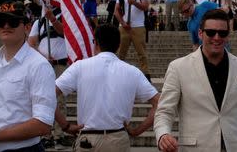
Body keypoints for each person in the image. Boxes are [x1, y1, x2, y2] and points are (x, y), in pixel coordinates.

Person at [154, 9, 237, 152]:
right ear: (200, 33)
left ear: (228, 36)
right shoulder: (178, 68)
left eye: (222, 33)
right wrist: (163, 135)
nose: (217, 37)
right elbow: (164, 111)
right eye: (210, 32)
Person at [54, 24, 160, 152]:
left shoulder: (80, 67)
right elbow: (158, 103)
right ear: (118, 45)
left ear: (96, 43)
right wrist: (137, 131)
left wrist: (65, 126)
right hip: (117, 139)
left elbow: (48, 94)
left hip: (88, 140)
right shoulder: (133, 72)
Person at [0, 1, 56, 151]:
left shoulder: (39, 66)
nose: (6, 26)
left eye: (13, 22)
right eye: (1, 22)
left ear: (27, 27)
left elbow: (43, 124)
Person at [28, 5, 70, 149]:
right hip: (44, 65)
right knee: (43, 99)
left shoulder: (65, 17)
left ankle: (59, 135)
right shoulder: (39, 22)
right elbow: (31, 43)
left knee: (59, 100)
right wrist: (44, 57)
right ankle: (46, 134)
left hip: (60, 64)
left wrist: (52, 18)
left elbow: (66, 33)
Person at [114, 0, 151, 81]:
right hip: (124, 27)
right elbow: (116, 11)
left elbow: (145, 7)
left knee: (141, 53)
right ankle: (117, 74)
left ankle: (146, 75)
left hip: (138, 27)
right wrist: (123, 22)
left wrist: (134, 3)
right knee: (121, 52)